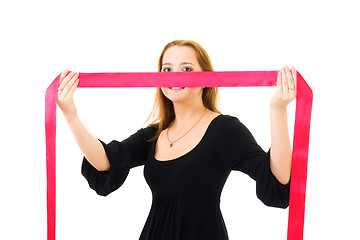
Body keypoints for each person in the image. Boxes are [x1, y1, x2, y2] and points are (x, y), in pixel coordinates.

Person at [57, 40, 296, 240]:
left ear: (207, 78)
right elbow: (104, 162)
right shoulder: (153, 135)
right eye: (167, 69)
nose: (175, 76)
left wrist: (278, 109)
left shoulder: (225, 130)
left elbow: (278, 178)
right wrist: (71, 115)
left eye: (187, 69)